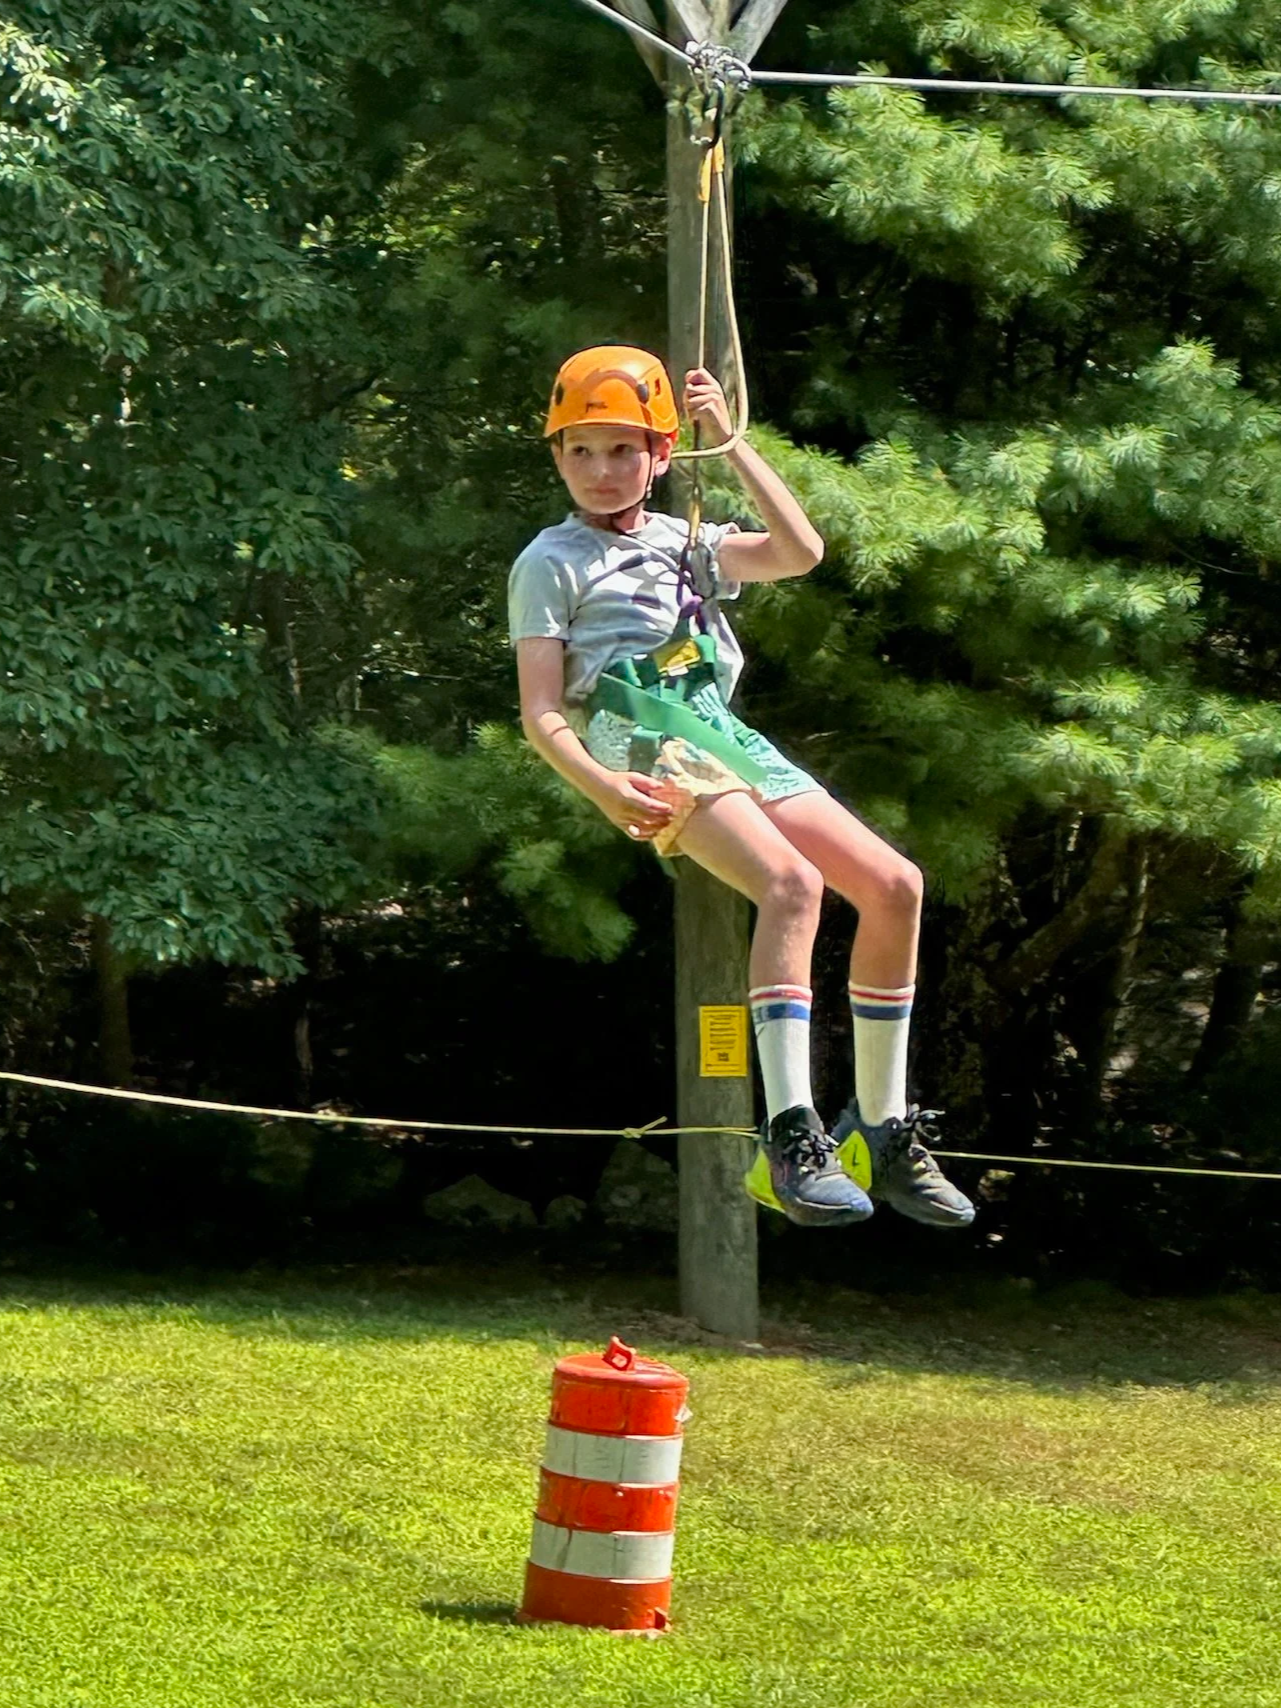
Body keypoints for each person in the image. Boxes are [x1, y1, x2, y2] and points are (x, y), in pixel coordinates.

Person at [509, 345, 974, 1231]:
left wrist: (730, 444)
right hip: (636, 729)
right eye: (580, 450)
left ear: (659, 454)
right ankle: (789, 1136)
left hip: (713, 726)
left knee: (894, 886)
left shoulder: (686, 541)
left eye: (622, 449)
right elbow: (540, 711)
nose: (601, 470)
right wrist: (602, 786)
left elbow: (799, 552)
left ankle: (877, 1131)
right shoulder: (549, 561)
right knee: (791, 883)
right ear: (557, 456)